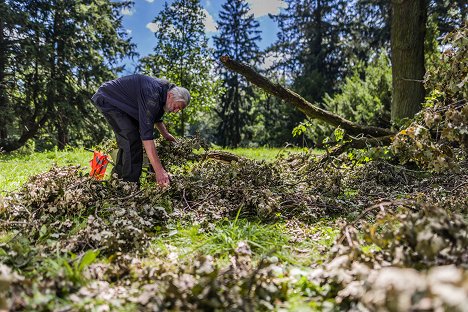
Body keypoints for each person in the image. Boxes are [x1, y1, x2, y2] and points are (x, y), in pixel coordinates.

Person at [91, 74, 190, 187]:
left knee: (128, 141)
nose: (176, 111)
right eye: (178, 106)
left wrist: (165, 134)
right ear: (171, 95)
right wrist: (159, 171)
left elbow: (156, 117)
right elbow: (146, 136)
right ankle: (130, 185)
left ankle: (117, 181)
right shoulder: (152, 96)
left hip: (123, 105)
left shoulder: (164, 92)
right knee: (131, 140)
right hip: (109, 99)